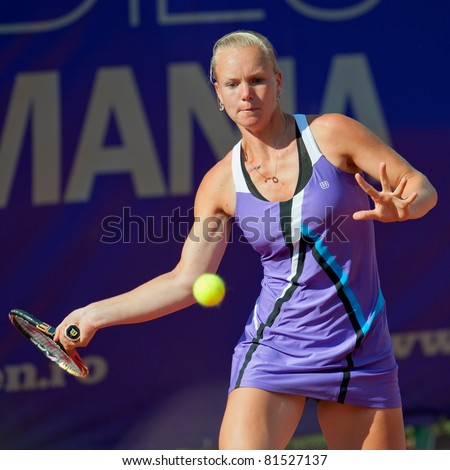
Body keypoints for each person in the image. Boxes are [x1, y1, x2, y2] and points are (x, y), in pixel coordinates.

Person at [55, 30, 437, 450]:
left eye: (256, 80)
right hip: (275, 348)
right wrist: (93, 313)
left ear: (277, 81)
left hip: (360, 347)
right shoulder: (219, 184)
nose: (246, 94)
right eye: (233, 84)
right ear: (217, 92)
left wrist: (407, 204)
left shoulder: (333, 134)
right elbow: (185, 281)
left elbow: (418, 186)